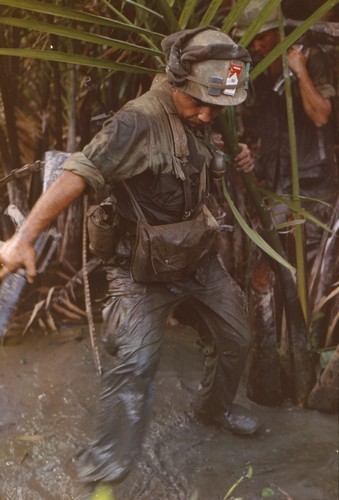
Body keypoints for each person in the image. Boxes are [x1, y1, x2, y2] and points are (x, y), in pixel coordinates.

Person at [0, 26, 259, 494]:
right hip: (139, 268)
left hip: (196, 255)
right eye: (200, 104)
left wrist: (233, 154)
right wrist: (24, 237)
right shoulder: (135, 122)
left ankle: (212, 409)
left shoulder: (203, 109)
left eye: (216, 108)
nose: (207, 114)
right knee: (137, 360)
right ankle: (105, 465)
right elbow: (76, 174)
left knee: (237, 334)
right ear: (176, 81)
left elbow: (201, 156)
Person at [233, 2, 338, 265]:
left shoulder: (310, 57)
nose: (256, 46)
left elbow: (321, 115)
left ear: (278, 30)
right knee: (270, 254)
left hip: (312, 180)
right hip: (277, 179)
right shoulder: (255, 66)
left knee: (314, 257)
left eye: (261, 37)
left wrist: (300, 70)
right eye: (250, 40)